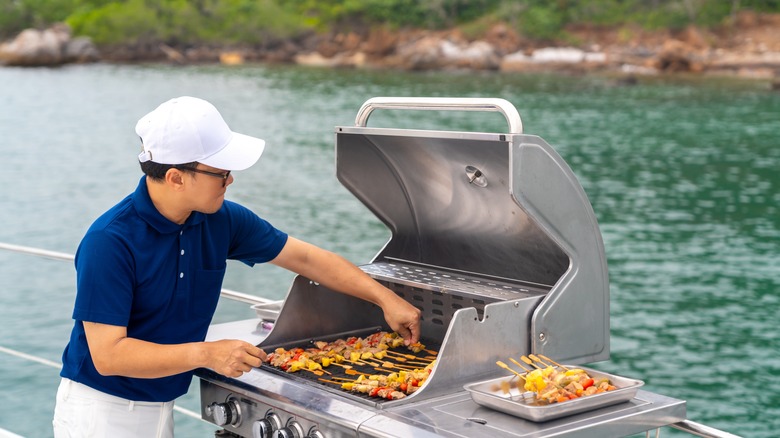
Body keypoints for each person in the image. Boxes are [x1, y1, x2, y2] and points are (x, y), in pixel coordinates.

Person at [53, 96, 422, 437]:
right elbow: (109, 356)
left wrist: (384, 298)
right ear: (176, 178)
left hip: (160, 401)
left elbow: (306, 259)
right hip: (100, 411)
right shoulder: (110, 240)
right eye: (221, 172)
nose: (231, 179)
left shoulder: (219, 218)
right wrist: (207, 353)